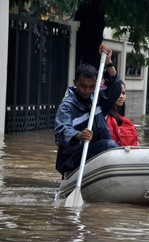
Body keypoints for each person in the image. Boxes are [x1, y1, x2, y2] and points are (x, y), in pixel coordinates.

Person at [54, 44, 122, 176]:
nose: (87, 90)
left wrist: (108, 62)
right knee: (110, 146)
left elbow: (116, 88)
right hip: (72, 158)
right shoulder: (67, 106)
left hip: (96, 150)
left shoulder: (97, 98)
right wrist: (78, 135)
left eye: (91, 86)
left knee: (113, 146)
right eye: (83, 86)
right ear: (75, 82)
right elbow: (61, 132)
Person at [106, 80, 139, 146]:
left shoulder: (122, 119)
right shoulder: (106, 117)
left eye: (123, 93)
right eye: (118, 93)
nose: (121, 96)